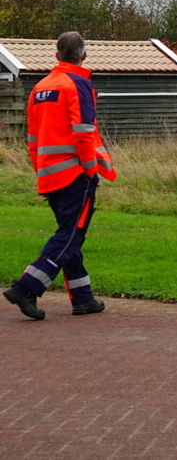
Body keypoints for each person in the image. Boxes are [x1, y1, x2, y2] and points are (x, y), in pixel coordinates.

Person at [4, 32, 117, 320]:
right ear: (84, 56)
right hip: (75, 173)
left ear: (56, 56)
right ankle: (26, 287)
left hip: (48, 173)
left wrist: (40, 168)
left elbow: (31, 138)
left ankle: (83, 298)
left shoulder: (40, 87)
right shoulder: (78, 84)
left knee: (70, 236)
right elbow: (84, 133)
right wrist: (91, 170)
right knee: (70, 235)